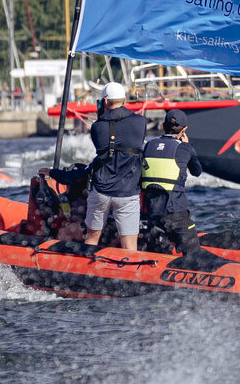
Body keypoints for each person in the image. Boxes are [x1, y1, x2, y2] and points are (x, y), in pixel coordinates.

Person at [82, 82, 147, 251]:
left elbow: (101, 148)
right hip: (127, 192)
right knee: (129, 245)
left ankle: (86, 271)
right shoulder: (140, 122)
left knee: (92, 237)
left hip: (101, 191)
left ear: (104, 102)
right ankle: (128, 275)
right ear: (124, 100)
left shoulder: (97, 127)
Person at [140, 110, 207, 256]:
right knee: (194, 255)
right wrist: (189, 147)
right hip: (176, 213)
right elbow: (197, 171)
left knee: (158, 255)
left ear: (163, 126)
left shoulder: (149, 145)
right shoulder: (185, 148)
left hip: (152, 214)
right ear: (184, 130)